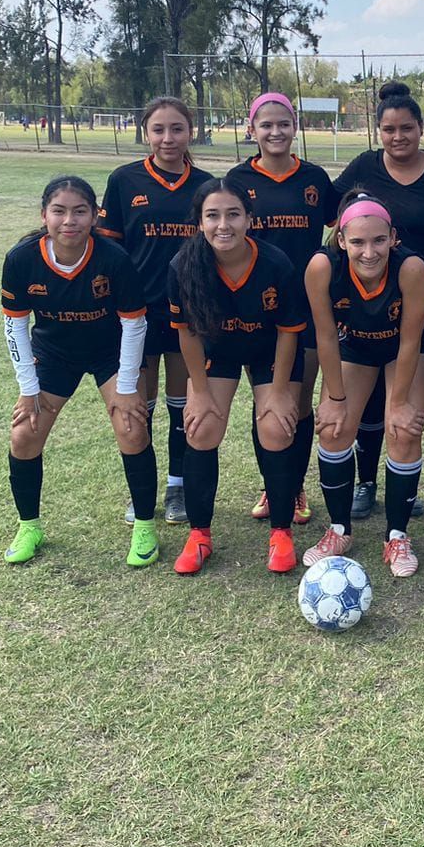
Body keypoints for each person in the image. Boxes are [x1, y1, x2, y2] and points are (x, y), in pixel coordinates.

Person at [0, 175, 157, 567]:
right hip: (54, 354)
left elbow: (134, 325)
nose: (69, 220)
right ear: (44, 215)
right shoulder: (21, 258)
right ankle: (29, 526)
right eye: (59, 211)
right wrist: (28, 389)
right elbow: (15, 326)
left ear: (95, 215)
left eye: (79, 211)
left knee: (132, 427)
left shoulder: (114, 258)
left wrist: (126, 387)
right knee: (23, 433)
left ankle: (144, 526)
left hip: (109, 352)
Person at [333, 83, 424, 521]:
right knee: (369, 403)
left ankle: (401, 486)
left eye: (407, 128)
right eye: (389, 130)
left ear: (421, 127)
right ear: (379, 131)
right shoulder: (364, 167)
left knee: (407, 406)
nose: (398, 137)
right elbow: (324, 205)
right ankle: (366, 482)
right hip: (368, 302)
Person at [166, 180, 310, 575]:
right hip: (218, 351)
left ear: (249, 219)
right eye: (212, 216)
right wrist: (199, 392)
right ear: (199, 221)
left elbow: (288, 332)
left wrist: (278, 392)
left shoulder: (276, 263)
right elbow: (186, 333)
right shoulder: (183, 266)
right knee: (201, 428)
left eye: (233, 214)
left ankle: (281, 532)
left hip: (269, 351)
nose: (223, 225)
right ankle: (199, 534)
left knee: (276, 428)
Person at [302, 192, 424, 575]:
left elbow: (410, 340)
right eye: (358, 242)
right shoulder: (322, 267)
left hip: (403, 349)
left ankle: (397, 535)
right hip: (355, 346)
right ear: (342, 240)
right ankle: (339, 530)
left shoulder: (412, 268)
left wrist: (399, 403)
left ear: (393, 237)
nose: (369, 252)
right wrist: (335, 398)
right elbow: (326, 336)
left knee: (403, 430)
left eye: (379, 240)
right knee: (334, 428)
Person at [97, 96, 211, 526]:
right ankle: (141, 490)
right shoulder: (124, 180)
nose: (168, 138)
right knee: (137, 407)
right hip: (135, 317)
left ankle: (177, 486)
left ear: (190, 132)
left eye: (177, 129)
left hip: (187, 314)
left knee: (182, 406)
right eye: (158, 129)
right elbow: (109, 250)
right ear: (146, 132)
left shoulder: (205, 185)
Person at [225, 92, 337, 526]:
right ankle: (273, 486)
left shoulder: (314, 178)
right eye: (266, 125)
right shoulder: (237, 179)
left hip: (306, 307)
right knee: (267, 400)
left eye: (283, 123)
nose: (275, 132)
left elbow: (342, 222)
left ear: (295, 127)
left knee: (299, 400)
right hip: (255, 309)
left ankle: (294, 487)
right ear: (251, 129)